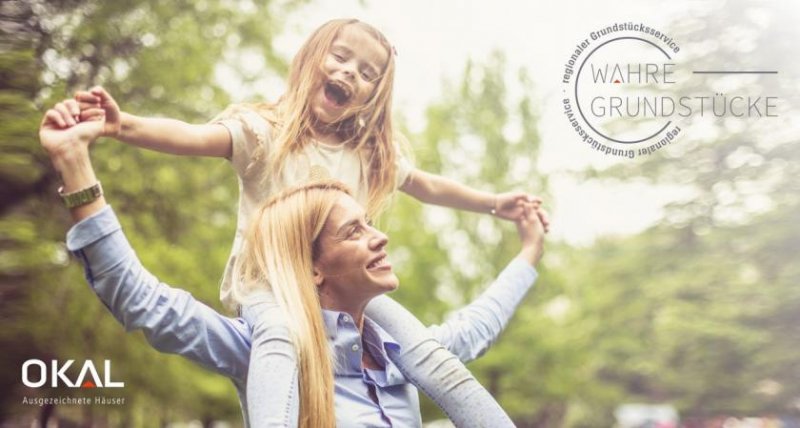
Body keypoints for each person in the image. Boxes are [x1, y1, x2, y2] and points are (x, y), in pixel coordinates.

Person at [61, 18, 548, 427]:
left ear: (374, 95)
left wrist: (497, 206)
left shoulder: (365, 156)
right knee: (279, 336)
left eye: (366, 73)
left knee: (432, 355)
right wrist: (120, 126)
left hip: (343, 298)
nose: (349, 73)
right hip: (271, 288)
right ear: (310, 60)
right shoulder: (265, 135)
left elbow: (429, 187)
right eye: (340, 58)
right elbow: (192, 137)